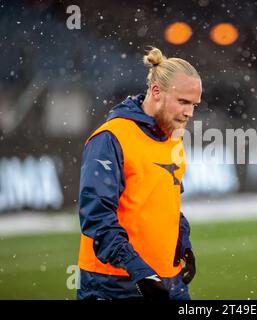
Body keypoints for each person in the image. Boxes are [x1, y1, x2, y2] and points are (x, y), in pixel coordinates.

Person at [76, 47, 202, 300]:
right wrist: (138, 270)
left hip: (169, 281)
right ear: (156, 91)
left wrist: (183, 243)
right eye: (183, 102)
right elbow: (97, 218)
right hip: (112, 285)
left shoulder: (173, 137)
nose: (189, 112)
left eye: (194, 105)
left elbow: (167, 203)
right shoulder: (111, 137)